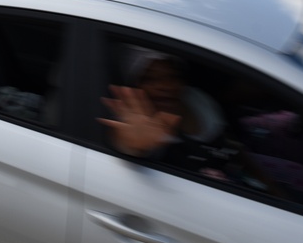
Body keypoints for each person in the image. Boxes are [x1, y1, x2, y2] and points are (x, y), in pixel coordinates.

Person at [99, 48, 268, 188]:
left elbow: (232, 146)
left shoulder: (198, 100)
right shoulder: (132, 119)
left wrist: (270, 186)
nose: (164, 86)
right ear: (136, 85)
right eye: (150, 78)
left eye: (172, 77)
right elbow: (126, 143)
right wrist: (132, 146)